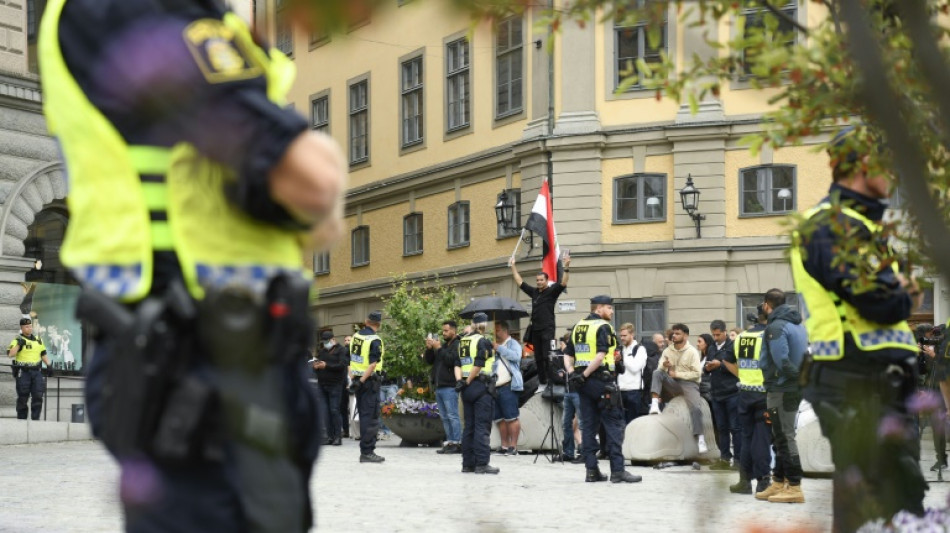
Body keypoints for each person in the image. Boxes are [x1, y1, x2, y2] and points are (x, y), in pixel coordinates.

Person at [40, 1, 345, 530]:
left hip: (219, 350)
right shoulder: (140, 10)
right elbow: (311, 180)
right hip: (195, 355)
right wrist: (315, 170)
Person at [795, 128, 928, 529]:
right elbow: (885, 301)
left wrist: (901, 291)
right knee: (871, 501)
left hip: (882, 379)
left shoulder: (865, 228)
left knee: (899, 495)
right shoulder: (829, 225)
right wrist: (900, 291)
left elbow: (911, 293)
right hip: (854, 378)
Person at [564, 295, 641, 483]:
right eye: (609, 308)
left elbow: (566, 354)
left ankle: (591, 471)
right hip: (601, 382)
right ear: (599, 309)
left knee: (589, 426)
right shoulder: (603, 327)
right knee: (614, 425)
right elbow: (600, 356)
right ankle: (618, 471)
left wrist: (574, 374)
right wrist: (585, 374)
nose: (612, 311)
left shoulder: (578, 326)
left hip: (584, 385)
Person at [757, 289, 808, 503]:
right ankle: (778, 482)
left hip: (782, 388)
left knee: (785, 437)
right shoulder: (797, 325)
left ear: (768, 305)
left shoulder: (776, 327)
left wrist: (795, 378)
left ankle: (794, 486)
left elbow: (781, 360)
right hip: (789, 387)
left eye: (763, 305)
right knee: (780, 437)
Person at [724, 304, 772, 495]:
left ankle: (744, 482)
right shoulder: (768, 337)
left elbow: (726, 359)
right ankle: (763, 481)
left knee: (746, 437)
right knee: (762, 438)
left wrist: (740, 375)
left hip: (744, 393)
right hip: (764, 393)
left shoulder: (742, 336)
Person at [510, 254, 571, 384]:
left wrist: (566, 267)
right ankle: (542, 383)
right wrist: (513, 266)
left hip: (547, 328)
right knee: (537, 358)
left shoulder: (552, 291)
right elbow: (520, 282)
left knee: (547, 356)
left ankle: (551, 381)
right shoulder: (534, 292)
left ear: (546, 281)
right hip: (536, 330)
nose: (538, 282)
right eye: (537, 280)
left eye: (541, 280)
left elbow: (564, 282)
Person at [648, 323, 708, 453]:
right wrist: (664, 365)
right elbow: (660, 369)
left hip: (690, 384)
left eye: (678, 333)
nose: (674, 336)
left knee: (696, 408)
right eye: (673, 333)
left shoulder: (692, 351)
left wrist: (678, 374)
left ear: (685, 336)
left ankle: (700, 438)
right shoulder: (668, 350)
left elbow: (697, 374)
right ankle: (654, 405)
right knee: (657, 373)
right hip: (673, 383)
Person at [455, 313, 499, 474]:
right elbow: (479, 364)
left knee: (469, 427)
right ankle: (482, 463)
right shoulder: (482, 341)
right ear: (484, 324)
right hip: (481, 386)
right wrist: (468, 381)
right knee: (482, 426)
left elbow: (457, 363)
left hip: (466, 389)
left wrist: (461, 381)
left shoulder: (463, 341)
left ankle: (467, 464)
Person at [350, 311, 386, 464]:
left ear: (366, 321)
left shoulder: (356, 337)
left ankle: (366, 450)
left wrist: (355, 380)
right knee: (370, 417)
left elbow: (351, 360)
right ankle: (367, 451)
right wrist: (363, 380)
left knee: (364, 414)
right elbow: (372, 363)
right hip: (368, 381)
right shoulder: (375, 340)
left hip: (358, 380)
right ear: (378, 324)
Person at [705, 319, 740, 470]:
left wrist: (721, 365)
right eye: (714, 334)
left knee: (735, 428)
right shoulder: (712, 347)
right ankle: (724, 458)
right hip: (717, 393)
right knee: (721, 428)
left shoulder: (733, 347)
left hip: (732, 392)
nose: (716, 337)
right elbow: (707, 366)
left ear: (725, 332)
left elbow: (737, 368)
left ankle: (738, 460)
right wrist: (708, 367)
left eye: (718, 334)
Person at [424, 320, 462, 454]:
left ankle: (457, 443)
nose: (443, 333)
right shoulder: (444, 346)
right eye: (443, 331)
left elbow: (451, 361)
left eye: (446, 331)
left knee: (452, 415)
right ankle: (449, 442)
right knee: (445, 417)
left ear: (453, 330)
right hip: (439, 386)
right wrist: (429, 348)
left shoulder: (458, 344)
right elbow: (429, 361)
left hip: (450, 386)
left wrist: (439, 348)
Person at [7, 318, 52, 420]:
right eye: (27, 327)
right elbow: (11, 354)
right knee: (23, 398)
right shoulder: (17, 340)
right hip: (23, 372)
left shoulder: (38, 340)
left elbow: (43, 354)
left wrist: (49, 365)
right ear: (22, 328)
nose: (29, 328)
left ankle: (35, 420)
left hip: (36, 372)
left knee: (38, 396)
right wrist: (19, 344)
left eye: (30, 326)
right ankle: (22, 421)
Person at [492, 320, 523, 456]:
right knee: (499, 419)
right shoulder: (494, 346)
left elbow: (516, 357)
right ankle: (504, 445)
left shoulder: (513, 344)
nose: (495, 333)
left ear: (505, 331)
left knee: (511, 417)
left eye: (497, 330)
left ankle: (513, 446)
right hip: (495, 386)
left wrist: (498, 348)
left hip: (508, 385)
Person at [314, 331, 348, 446]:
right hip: (322, 384)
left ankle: (337, 436)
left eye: (327, 341)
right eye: (324, 342)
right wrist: (316, 366)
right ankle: (329, 436)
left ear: (333, 339)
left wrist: (326, 365)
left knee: (334, 410)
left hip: (335, 384)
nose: (325, 344)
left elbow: (342, 366)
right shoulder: (322, 351)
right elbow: (317, 363)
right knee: (325, 411)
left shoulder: (341, 350)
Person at [558, 334, 584, 463]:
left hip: (578, 391)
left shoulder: (579, 352)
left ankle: (584, 452)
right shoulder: (565, 355)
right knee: (565, 423)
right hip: (568, 391)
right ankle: (568, 452)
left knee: (582, 423)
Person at [617, 323, 647, 425]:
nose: (622, 338)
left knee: (633, 424)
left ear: (632, 334)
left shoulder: (640, 349)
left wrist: (622, 358)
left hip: (634, 392)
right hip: (620, 391)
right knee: (621, 423)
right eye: (621, 336)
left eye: (625, 336)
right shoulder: (620, 349)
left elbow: (635, 368)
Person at [341, 335, 353, 439]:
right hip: (343, 382)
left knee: (353, 407)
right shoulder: (343, 353)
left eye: (349, 340)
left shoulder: (355, 352)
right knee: (343, 407)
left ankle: (354, 431)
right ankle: (346, 430)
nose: (346, 342)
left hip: (353, 381)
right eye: (345, 340)